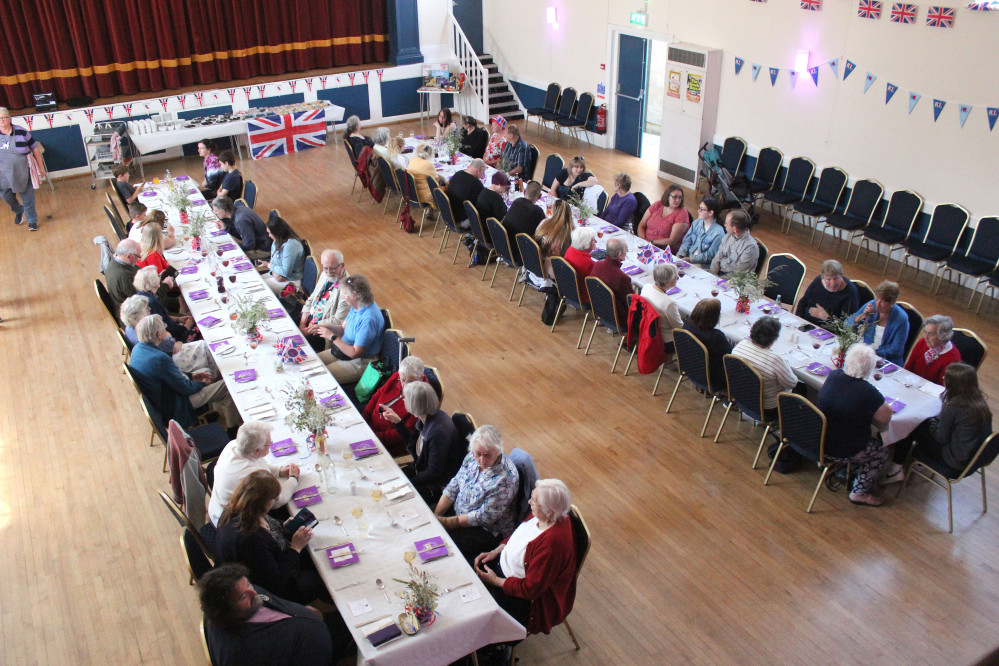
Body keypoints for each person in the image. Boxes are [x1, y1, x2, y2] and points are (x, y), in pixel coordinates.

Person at [474, 479, 578, 635]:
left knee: (478, 618)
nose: (529, 502)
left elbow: (530, 589)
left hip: (523, 598)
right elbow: (520, 534)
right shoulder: (543, 514)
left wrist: (494, 581)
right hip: (502, 569)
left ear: (549, 511)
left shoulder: (551, 544)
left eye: (534, 501)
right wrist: (497, 550)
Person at [199, 563, 351, 666]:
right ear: (224, 609)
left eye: (248, 584)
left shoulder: (241, 608)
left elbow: (277, 602)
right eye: (243, 596)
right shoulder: (240, 653)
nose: (254, 593)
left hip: (314, 625)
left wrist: (301, 610)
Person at [216, 471, 328, 604]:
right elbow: (276, 582)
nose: (275, 502)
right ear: (262, 502)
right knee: (322, 577)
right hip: (276, 591)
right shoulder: (251, 539)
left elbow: (269, 529)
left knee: (320, 553)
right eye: (274, 499)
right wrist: (295, 548)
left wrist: (284, 527)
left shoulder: (241, 510)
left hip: (276, 558)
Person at [887, 363, 993, 482]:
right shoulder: (979, 401)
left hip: (953, 459)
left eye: (946, 377)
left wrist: (928, 419)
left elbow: (941, 437)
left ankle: (895, 468)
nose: (943, 378)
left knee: (914, 425)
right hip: (972, 455)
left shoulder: (954, 406)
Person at [817, 344, 894, 506]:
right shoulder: (867, 391)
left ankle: (822, 462)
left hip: (818, 442)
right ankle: (859, 492)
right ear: (870, 369)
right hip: (845, 449)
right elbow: (886, 417)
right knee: (882, 451)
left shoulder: (834, 376)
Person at [129, 315, 237, 428]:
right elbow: (186, 389)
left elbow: (171, 378)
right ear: (158, 335)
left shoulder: (137, 349)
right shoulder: (160, 358)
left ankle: (217, 411)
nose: (166, 329)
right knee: (228, 384)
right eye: (164, 328)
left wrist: (192, 376)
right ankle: (232, 428)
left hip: (163, 400)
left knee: (206, 371)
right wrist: (203, 383)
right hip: (177, 406)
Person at [435, 425, 519, 558]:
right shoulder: (471, 457)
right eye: (478, 454)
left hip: (486, 530)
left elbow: (482, 517)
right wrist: (436, 514)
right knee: (425, 518)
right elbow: (455, 484)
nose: (481, 460)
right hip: (459, 514)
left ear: (498, 451)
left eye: (487, 455)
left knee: (442, 545)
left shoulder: (506, 478)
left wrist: (446, 522)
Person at [208, 422, 301, 526]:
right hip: (231, 523)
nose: (271, 444)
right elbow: (277, 500)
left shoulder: (235, 445)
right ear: (257, 450)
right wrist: (294, 478)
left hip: (219, 507)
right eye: (269, 444)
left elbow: (257, 462)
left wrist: (279, 471)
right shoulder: (251, 476)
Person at [391, 382, 464, 505]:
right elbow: (415, 449)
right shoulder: (426, 418)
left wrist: (409, 482)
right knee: (389, 480)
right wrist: (398, 423)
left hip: (435, 487)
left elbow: (434, 472)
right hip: (421, 473)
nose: (404, 402)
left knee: (396, 498)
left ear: (414, 405)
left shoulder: (438, 432)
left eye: (406, 400)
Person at [120, 295, 215, 376]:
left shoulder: (129, 328)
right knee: (205, 346)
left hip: (166, 356)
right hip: (170, 363)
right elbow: (171, 345)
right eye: (146, 309)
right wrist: (173, 341)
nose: (149, 309)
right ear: (138, 316)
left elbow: (167, 338)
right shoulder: (144, 330)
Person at [317, 275, 386, 384]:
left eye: (345, 294)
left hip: (360, 361)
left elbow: (355, 353)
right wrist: (323, 326)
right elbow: (342, 329)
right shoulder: (357, 306)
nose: (344, 297)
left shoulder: (368, 319)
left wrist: (332, 337)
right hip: (344, 350)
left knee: (321, 377)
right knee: (312, 362)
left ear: (355, 295)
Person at [362, 356, 432, 457]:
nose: (404, 385)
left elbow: (405, 432)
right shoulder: (398, 376)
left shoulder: (421, 399)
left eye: (410, 382)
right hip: (371, 429)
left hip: (389, 445)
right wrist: (364, 417)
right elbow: (378, 395)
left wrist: (375, 437)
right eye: (402, 380)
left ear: (420, 379)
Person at [732, 316, 798, 421]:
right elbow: (791, 383)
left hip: (741, 396)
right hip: (767, 407)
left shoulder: (740, 346)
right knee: (801, 388)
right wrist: (786, 367)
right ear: (774, 338)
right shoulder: (775, 359)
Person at [0, 107, 46, 231]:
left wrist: (41, 168)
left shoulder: (21, 131)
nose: (2, 120)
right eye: (0, 118)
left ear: (9, 118)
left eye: (4, 117)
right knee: (6, 196)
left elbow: (35, 149)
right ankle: (19, 210)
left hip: (22, 172)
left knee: (28, 198)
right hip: (3, 175)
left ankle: (32, 222)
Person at [299, 249, 350, 351]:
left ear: (342, 266)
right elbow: (313, 297)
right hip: (310, 321)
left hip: (322, 332)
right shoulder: (324, 275)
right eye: (325, 268)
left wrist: (312, 327)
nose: (328, 272)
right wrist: (302, 321)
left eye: (332, 269)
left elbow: (337, 321)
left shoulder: (347, 289)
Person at [848, 280, 909, 365]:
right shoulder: (872, 305)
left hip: (885, 360)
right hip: (864, 353)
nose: (878, 304)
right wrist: (862, 316)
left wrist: (872, 353)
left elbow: (896, 349)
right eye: (877, 299)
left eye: (883, 301)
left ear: (892, 302)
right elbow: (847, 323)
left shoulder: (901, 319)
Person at [134, 266, 195, 342]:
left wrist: (178, 319)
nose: (160, 278)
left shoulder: (144, 294)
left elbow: (162, 317)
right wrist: (185, 327)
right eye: (158, 276)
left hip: (171, 327)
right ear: (154, 283)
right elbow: (165, 329)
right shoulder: (152, 302)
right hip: (171, 338)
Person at [682, 298, 732, 391]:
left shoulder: (687, 324)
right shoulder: (716, 337)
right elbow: (730, 356)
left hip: (690, 367)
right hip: (711, 378)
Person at [794, 259, 860, 328]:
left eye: (836, 278)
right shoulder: (818, 281)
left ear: (841, 276)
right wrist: (798, 319)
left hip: (827, 330)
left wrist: (827, 318)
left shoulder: (850, 293)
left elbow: (847, 325)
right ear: (823, 278)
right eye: (828, 279)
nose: (833, 283)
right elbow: (803, 301)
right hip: (805, 323)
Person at [904, 315, 962, 384]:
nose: (926, 337)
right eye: (925, 332)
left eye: (931, 334)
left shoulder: (952, 359)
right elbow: (908, 369)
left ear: (944, 336)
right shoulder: (922, 343)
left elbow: (942, 388)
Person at [640, 263, 683, 354]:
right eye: (676, 277)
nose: (677, 279)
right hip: (666, 339)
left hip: (647, 331)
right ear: (666, 282)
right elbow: (679, 327)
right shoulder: (669, 303)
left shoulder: (646, 287)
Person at [590, 237, 634, 326]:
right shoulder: (622, 277)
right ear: (620, 255)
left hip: (600, 310)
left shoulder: (597, 265)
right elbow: (631, 302)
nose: (627, 252)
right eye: (626, 250)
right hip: (619, 318)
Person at [637, 184, 691, 254]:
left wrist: (651, 242)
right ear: (667, 196)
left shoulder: (682, 214)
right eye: (675, 197)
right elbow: (641, 225)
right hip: (647, 245)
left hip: (664, 251)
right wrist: (644, 240)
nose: (677, 200)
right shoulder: (658, 204)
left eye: (680, 197)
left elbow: (672, 240)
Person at [257, 216, 305, 295]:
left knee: (259, 288)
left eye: (270, 233)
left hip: (290, 282)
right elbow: (274, 263)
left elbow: (285, 273)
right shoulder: (276, 242)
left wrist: (269, 265)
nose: (269, 235)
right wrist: (274, 272)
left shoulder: (291, 245)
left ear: (277, 233)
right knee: (255, 282)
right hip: (278, 276)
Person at [504, 181, 546, 264]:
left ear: (524, 192)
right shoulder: (537, 211)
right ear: (540, 196)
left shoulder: (517, 202)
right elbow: (543, 231)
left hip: (504, 246)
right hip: (520, 253)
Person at [677, 197, 725, 268]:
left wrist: (691, 259)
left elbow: (710, 255)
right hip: (687, 257)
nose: (698, 211)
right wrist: (680, 254)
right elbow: (687, 241)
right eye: (699, 208)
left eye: (702, 209)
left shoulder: (719, 233)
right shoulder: (696, 223)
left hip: (702, 264)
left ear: (711, 212)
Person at [710, 208, 759, 277]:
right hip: (719, 274)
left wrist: (718, 280)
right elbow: (717, 258)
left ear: (735, 229)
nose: (724, 225)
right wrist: (712, 275)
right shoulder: (727, 236)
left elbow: (738, 274)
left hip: (732, 281)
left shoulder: (750, 247)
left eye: (726, 223)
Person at [534, 199, 574, 280]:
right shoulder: (570, 231)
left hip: (535, 263)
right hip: (554, 270)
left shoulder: (544, 222)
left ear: (553, 211)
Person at [106, 238, 143, 312]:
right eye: (138, 257)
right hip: (134, 314)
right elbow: (142, 300)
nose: (139, 260)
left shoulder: (113, 263)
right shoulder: (125, 276)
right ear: (128, 256)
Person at [447, 158, 486, 227]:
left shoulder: (458, 174)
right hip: (461, 219)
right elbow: (483, 202)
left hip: (449, 214)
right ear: (479, 170)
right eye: (483, 173)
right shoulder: (476, 184)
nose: (482, 176)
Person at [564, 227, 596, 304]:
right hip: (584, 297)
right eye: (593, 240)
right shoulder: (588, 263)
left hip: (569, 292)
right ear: (586, 243)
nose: (595, 242)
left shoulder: (570, 250)